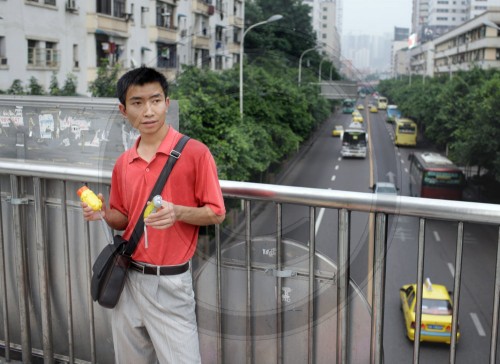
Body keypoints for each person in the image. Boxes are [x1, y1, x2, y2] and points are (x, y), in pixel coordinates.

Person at [81, 67, 226, 363]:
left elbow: (216, 212)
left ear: (167, 103)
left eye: (155, 100)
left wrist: (179, 212)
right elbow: (123, 217)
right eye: (137, 103)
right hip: (127, 277)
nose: (148, 111)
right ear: (124, 110)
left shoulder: (195, 153)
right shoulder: (124, 162)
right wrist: (103, 212)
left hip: (170, 283)